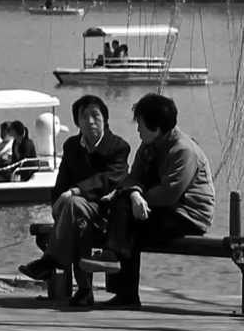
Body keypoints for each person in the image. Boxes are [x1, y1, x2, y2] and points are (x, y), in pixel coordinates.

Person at [102, 91, 214, 308]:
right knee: (124, 214)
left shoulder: (183, 150)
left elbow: (169, 193)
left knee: (127, 224)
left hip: (187, 214)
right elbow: (132, 177)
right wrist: (134, 194)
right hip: (158, 209)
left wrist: (135, 197)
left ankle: (124, 288)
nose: (137, 129)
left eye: (141, 125)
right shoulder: (148, 147)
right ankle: (125, 291)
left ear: (156, 127)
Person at [20, 94, 130, 301]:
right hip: (77, 212)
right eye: (84, 117)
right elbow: (60, 185)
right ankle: (84, 291)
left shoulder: (118, 146)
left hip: (108, 212)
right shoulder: (72, 146)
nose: (90, 121)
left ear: (105, 119)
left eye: (95, 116)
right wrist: (56, 207)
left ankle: (51, 261)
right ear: (77, 122)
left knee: (72, 204)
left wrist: (76, 191)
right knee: (76, 218)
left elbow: (110, 180)